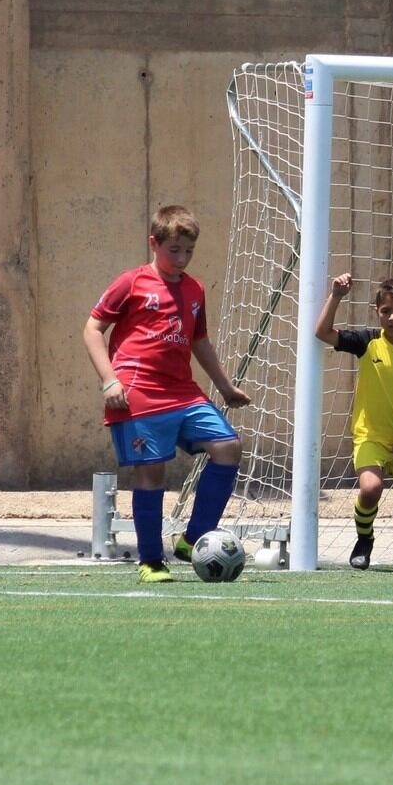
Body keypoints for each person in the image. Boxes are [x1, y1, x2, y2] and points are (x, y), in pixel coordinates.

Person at [82, 205, 249, 584]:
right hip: (138, 394)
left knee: (228, 447)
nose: (182, 258)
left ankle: (193, 538)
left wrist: (224, 386)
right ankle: (151, 561)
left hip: (183, 392)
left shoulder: (194, 289)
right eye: (174, 250)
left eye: (188, 251)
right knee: (151, 474)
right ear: (154, 243)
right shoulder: (132, 282)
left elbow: (199, 341)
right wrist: (109, 380)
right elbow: (93, 328)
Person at [316, 274, 393, 571]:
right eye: (386, 311)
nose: (392, 317)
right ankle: (364, 540)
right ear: (377, 312)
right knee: (371, 488)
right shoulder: (367, 342)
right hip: (369, 436)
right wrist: (336, 295)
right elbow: (322, 332)